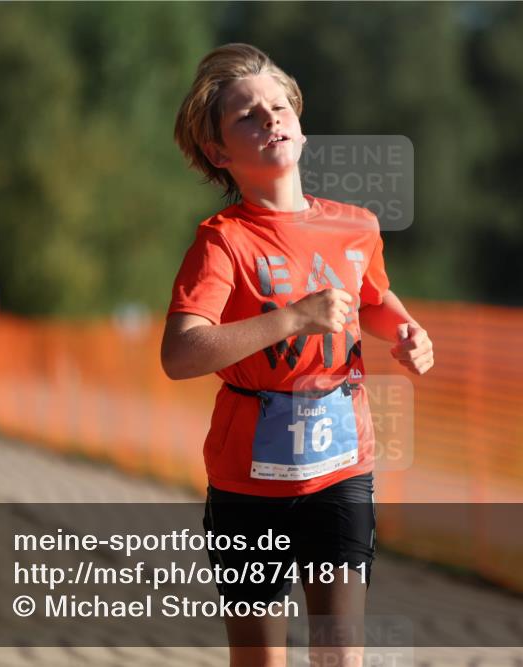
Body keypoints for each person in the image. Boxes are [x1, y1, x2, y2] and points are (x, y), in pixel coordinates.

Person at [162, 43, 434, 667]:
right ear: (218, 152)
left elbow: (372, 298)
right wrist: (292, 318)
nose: (270, 120)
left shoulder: (357, 225)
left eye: (279, 106)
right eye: (248, 117)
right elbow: (180, 353)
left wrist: (406, 330)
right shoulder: (221, 242)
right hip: (248, 481)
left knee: (341, 655)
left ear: (301, 125)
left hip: (342, 466)